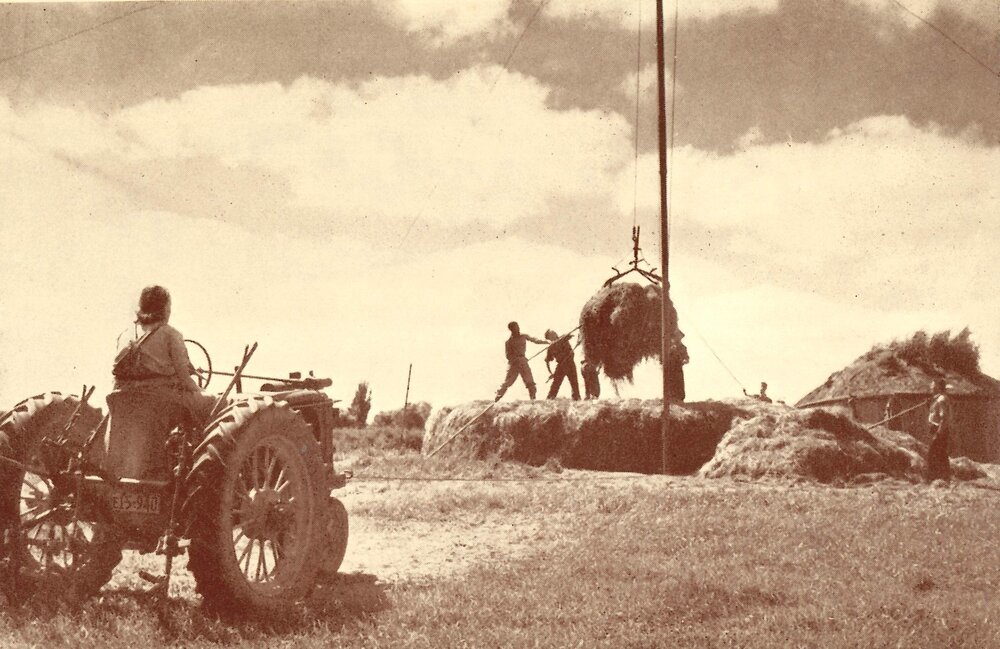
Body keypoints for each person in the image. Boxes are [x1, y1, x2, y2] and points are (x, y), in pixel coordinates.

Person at [105, 286, 216, 478]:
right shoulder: (171, 334)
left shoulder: (125, 335)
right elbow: (184, 378)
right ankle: (204, 468)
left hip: (124, 399)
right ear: (165, 309)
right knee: (215, 404)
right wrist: (201, 391)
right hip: (160, 400)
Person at [495, 321, 547, 401]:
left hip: (523, 362)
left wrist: (548, 342)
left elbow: (536, 340)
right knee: (507, 383)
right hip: (514, 364)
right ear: (511, 329)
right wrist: (516, 360)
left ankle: (533, 401)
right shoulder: (509, 342)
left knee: (530, 383)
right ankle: (496, 399)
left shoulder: (524, 336)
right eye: (516, 327)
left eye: (518, 327)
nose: (518, 329)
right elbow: (508, 356)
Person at [926, 378, 952, 482]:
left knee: (933, 454)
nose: (930, 388)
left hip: (939, 430)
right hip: (936, 429)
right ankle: (942, 479)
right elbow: (935, 414)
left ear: (937, 387)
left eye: (932, 386)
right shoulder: (938, 399)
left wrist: (938, 433)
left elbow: (943, 418)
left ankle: (935, 479)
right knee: (940, 454)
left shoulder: (941, 399)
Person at [544, 329, 580, 400]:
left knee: (574, 384)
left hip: (570, 363)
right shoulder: (551, 347)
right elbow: (547, 361)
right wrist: (551, 373)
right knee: (555, 386)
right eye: (553, 333)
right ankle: (549, 400)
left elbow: (568, 336)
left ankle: (576, 399)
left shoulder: (563, 337)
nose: (555, 333)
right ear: (550, 338)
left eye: (554, 332)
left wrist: (568, 336)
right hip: (561, 366)